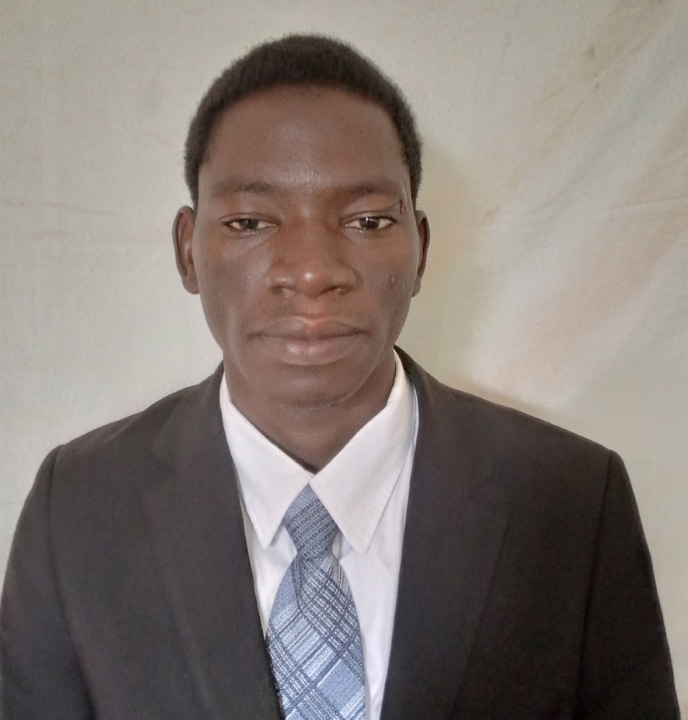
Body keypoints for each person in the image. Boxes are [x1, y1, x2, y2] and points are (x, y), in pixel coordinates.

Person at [0, 34, 679, 720]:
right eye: (250, 222)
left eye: (367, 220)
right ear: (188, 252)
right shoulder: (78, 510)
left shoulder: (570, 500)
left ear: (420, 250)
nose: (311, 271)